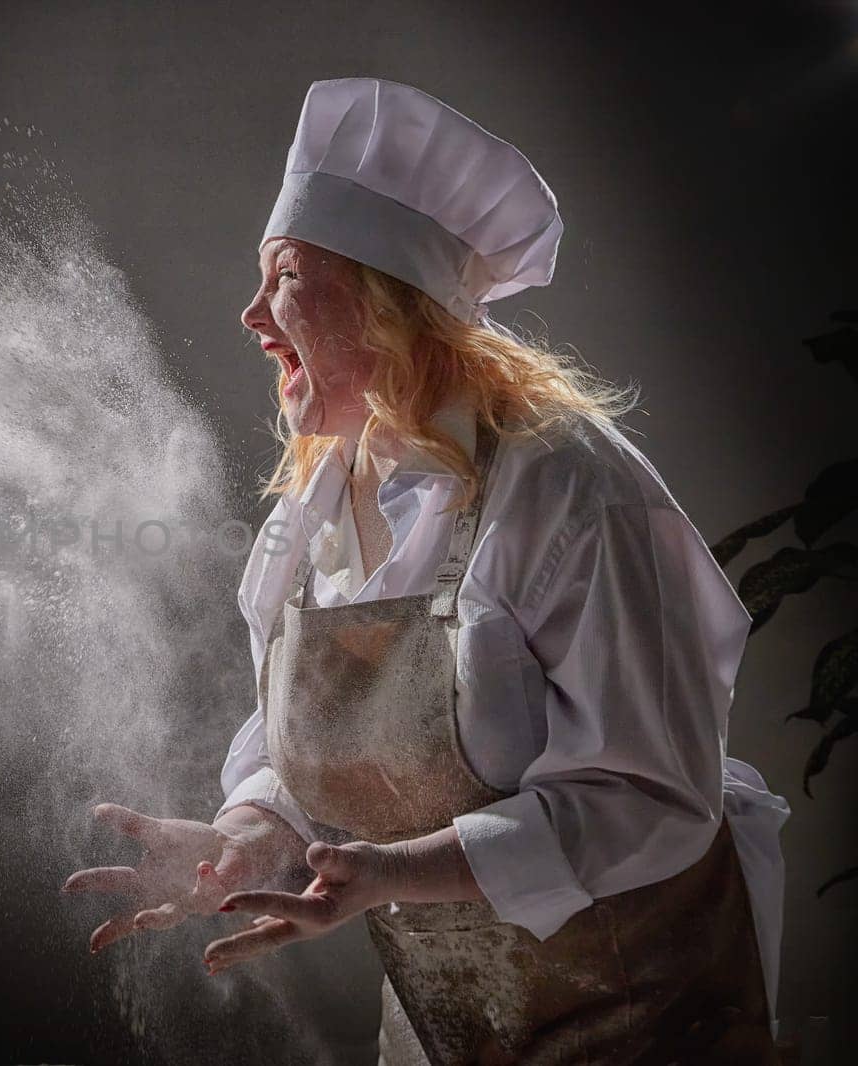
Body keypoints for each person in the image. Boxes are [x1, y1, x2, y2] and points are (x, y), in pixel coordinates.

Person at [62, 78, 791, 1064]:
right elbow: (325, 746)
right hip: (443, 1031)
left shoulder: (569, 489)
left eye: (282, 277)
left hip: (642, 1016)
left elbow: (653, 793)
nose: (250, 314)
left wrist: (391, 871)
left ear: (383, 299)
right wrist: (252, 829)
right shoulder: (314, 504)